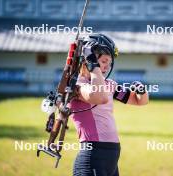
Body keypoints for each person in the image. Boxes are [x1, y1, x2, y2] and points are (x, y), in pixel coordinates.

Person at [70, 34, 149, 176]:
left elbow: (139, 102)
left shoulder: (109, 85)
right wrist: (94, 67)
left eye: (110, 62)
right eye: (104, 61)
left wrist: (141, 91)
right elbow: (99, 97)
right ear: (89, 60)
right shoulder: (78, 86)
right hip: (92, 156)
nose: (107, 66)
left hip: (111, 157)